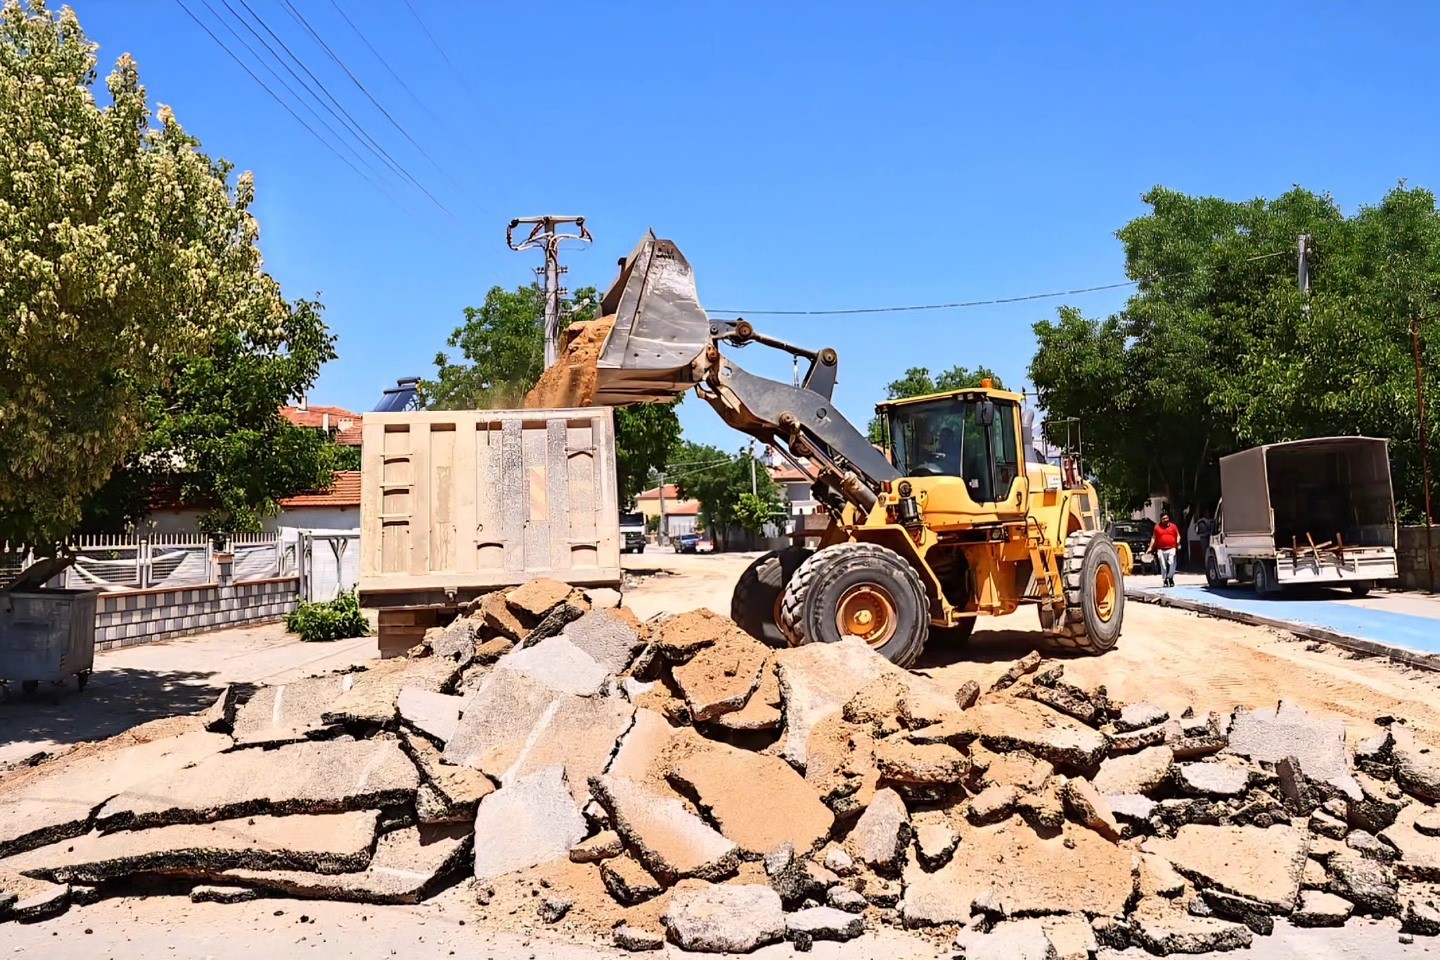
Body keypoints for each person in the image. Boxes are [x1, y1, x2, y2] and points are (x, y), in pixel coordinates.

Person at [1150, 510, 1182, 588]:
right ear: (1161, 519)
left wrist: (1178, 542)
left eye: (1166, 518)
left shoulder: (1173, 526)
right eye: (1163, 518)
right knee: (1163, 566)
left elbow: (1178, 535)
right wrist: (1150, 547)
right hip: (1160, 549)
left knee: (1171, 563)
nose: (1165, 520)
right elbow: (1154, 538)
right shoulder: (1157, 527)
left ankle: (1170, 577)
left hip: (1172, 548)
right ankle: (1165, 580)